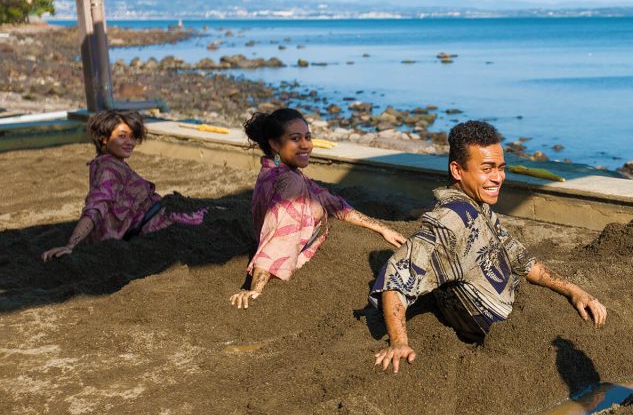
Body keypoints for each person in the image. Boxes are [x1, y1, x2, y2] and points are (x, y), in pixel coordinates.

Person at [371, 120, 607, 373]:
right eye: (487, 169)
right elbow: (396, 276)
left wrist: (574, 291)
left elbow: (523, 262)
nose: (498, 177)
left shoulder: (478, 209)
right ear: (457, 170)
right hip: (500, 345)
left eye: (501, 168)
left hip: (521, 317)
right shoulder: (449, 223)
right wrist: (399, 342)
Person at [230, 108, 406, 308]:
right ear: (274, 144)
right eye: (295, 139)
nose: (306, 145)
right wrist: (256, 289)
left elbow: (333, 203)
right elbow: (279, 236)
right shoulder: (291, 184)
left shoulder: (274, 169)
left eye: (308, 137)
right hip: (299, 262)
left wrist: (382, 228)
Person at [40, 110, 206, 261]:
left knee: (216, 211)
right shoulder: (107, 169)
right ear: (103, 138)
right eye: (122, 136)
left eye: (132, 136)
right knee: (214, 216)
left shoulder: (111, 163)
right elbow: (96, 207)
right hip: (162, 222)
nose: (130, 142)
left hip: (166, 213)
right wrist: (71, 245)